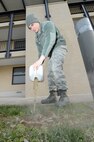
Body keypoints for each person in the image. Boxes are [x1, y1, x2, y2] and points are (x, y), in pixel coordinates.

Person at [26, 14, 69, 106]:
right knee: (50, 72)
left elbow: (50, 40)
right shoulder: (37, 37)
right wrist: (39, 64)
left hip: (59, 46)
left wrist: (41, 59)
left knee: (55, 67)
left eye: (32, 25)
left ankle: (63, 95)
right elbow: (40, 51)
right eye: (29, 28)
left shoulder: (48, 25)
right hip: (51, 54)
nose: (32, 28)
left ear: (36, 21)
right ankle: (52, 95)